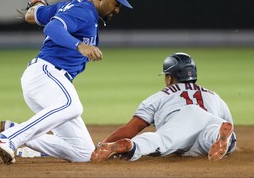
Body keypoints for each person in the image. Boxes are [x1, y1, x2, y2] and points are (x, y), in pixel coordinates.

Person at [0, 0, 133, 164]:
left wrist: (36, 6)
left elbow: (34, 15)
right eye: (116, 3)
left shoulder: (69, 6)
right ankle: (9, 139)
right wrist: (79, 46)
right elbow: (52, 28)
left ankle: (14, 130)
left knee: (83, 152)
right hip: (46, 74)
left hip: (49, 84)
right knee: (71, 105)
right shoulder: (83, 11)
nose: (117, 9)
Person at [91, 52, 237, 162]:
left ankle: (133, 146)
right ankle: (216, 136)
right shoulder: (214, 96)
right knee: (210, 138)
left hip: (185, 119)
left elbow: (132, 127)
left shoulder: (160, 96)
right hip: (208, 124)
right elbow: (227, 123)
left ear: (169, 77)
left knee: (161, 140)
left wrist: (104, 144)